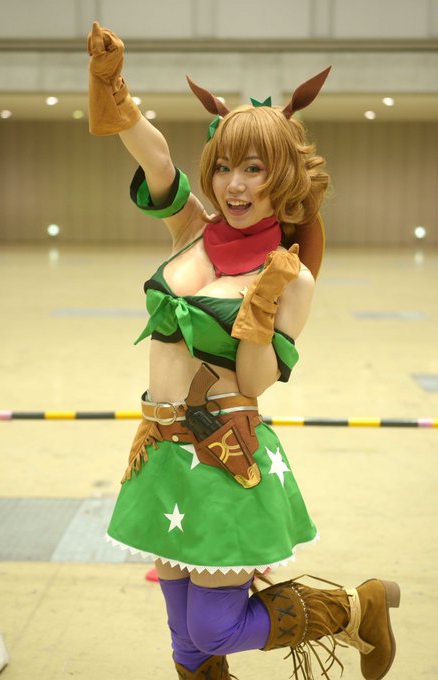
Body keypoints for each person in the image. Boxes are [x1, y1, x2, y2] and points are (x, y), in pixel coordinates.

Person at [87, 21, 400, 680]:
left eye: (253, 169)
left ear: (280, 177)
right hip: (159, 449)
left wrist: (258, 310)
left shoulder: (292, 276)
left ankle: (353, 607)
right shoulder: (191, 230)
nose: (233, 184)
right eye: (225, 166)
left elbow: (255, 382)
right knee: (186, 639)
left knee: (213, 627)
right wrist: (113, 88)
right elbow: (156, 160)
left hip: (221, 452)